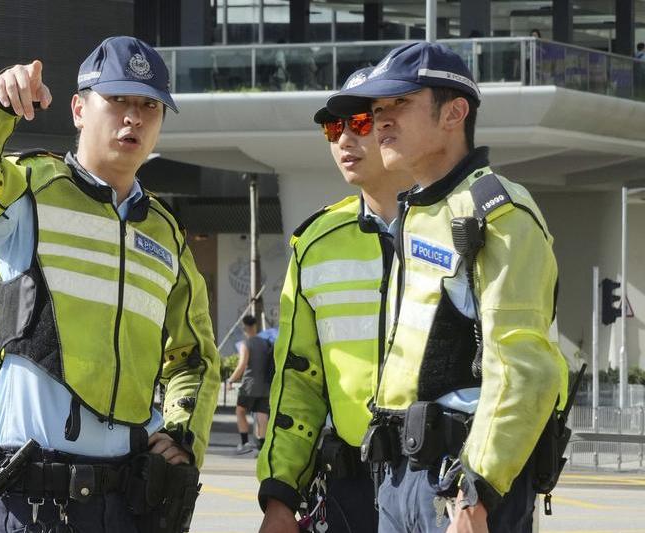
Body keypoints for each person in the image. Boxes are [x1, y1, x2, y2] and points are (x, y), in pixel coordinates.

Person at [0, 36, 220, 532]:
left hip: (130, 503)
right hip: (31, 501)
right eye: (119, 100)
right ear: (79, 108)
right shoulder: (29, 192)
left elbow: (195, 356)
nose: (134, 117)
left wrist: (183, 433)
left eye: (150, 105)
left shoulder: (166, 233)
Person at [327, 42, 567, 533]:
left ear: (455, 112)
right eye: (378, 109)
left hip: (461, 482)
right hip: (401, 477)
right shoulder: (417, 210)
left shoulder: (498, 213)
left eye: (400, 104)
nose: (382, 120)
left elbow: (523, 367)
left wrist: (477, 489)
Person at [256, 67, 413, 533]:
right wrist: (280, 498)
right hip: (351, 491)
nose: (345, 138)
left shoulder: (465, 227)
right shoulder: (315, 244)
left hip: (443, 487)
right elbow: (298, 382)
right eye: (333, 127)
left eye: (360, 123)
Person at [228, 314, 271, 453]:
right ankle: (262, 447)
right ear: (255, 326)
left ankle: (245, 443)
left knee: (240, 411)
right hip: (265, 386)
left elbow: (242, 365)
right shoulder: (265, 343)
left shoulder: (246, 344)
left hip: (249, 385)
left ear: (245, 328)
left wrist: (231, 380)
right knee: (262, 414)